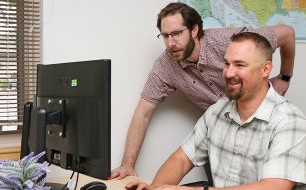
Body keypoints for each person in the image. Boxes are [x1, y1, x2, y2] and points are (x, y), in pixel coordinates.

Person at [110, 2, 296, 179]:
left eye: (176, 33)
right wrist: (127, 164)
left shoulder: (228, 42)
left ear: (194, 30)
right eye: (165, 36)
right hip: (220, 137)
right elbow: (142, 113)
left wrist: (284, 77)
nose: (170, 43)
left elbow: (287, 34)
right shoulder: (165, 66)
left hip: (260, 128)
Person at [125, 32, 306, 190]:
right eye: (226, 63)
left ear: (266, 69)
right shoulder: (217, 112)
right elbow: (181, 159)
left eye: (240, 65)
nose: (228, 73)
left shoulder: (290, 121)